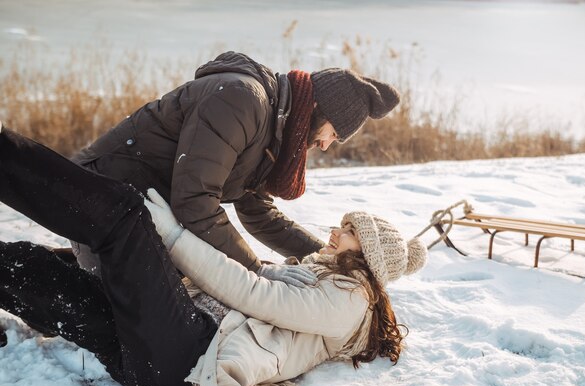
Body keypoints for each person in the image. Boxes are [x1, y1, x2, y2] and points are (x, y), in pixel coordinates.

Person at [0, 124, 427, 386]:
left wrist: (171, 236)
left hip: (187, 354)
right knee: (37, 271)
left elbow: (251, 293)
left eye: (349, 232)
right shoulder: (314, 277)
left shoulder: (351, 301)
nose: (335, 232)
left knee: (126, 216)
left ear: (367, 259)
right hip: (150, 358)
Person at [70, 51, 401, 276]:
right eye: (333, 133)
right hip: (104, 195)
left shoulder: (274, 131)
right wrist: (255, 273)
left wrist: (331, 260)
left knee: (180, 296)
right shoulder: (243, 101)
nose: (327, 146)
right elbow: (196, 202)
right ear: (316, 108)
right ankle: (20, 274)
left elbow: (259, 213)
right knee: (130, 318)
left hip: (143, 209)